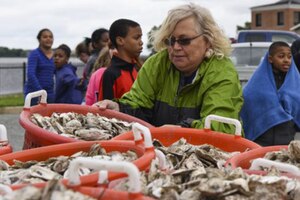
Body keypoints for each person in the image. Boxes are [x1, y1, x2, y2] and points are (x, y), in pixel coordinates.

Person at [94, 3, 243, 134]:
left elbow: (221, 128)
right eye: (170, 41)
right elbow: (137, 104)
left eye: (184, 40)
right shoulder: (157, 64)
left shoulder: (222, 72)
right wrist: (119, 108)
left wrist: (182, 129)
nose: (175, 47)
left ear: (208, 40)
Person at [241, 41, 300, 146]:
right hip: (261, 140)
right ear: (270, 59)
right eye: (281, 56)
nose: (286, 60)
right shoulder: (258, 82)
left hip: (286, 139)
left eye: (289, 57)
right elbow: (248, 101)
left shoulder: (295, 82)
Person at [98, 18, 143, 101]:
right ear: (120, 40)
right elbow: (105, 109)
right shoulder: (111, 74)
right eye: (136, 38)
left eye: (141, 38)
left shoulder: (136, 70)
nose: (141, 42)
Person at [24, 28, 55, 105]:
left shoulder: (55, 56)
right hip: (35, 94)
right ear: (39, 39)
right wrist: (40, 92)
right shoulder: (34, 54)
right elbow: (31, 75)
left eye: (50, 37)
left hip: (50, 94)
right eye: (45, 37)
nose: (48, 39)